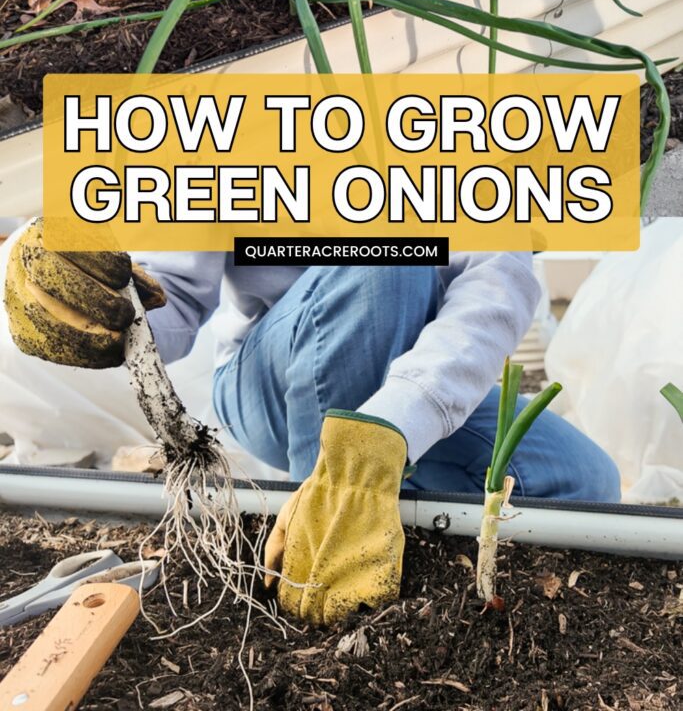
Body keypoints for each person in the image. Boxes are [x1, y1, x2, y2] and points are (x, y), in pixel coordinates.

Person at [5, 233, 621, 624]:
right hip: (267, 375)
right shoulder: (251, 110)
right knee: (389, 254)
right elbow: (181, 298)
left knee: (581, 478)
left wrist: (396, 420)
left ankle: (386, 510)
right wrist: (107, 311)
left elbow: (495, 284)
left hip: (403, 372)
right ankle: (312, 577)